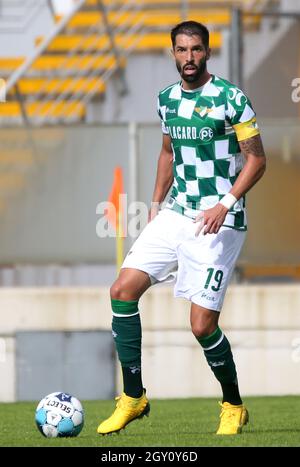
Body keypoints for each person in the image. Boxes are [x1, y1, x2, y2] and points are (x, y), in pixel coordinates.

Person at [97, 20, 266, 436]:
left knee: (201, 325)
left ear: (207, 52)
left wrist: (224, 204)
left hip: (219, 222)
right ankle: (133, 398)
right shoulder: (167, 100)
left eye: (195, 50)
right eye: (181, 50)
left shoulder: (231, 98)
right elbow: (168, 152)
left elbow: (257, 160)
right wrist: (155, 205)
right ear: (172, 53)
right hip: (175, 213)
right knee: (121, 290)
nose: (188, 58)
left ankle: (232, 404)